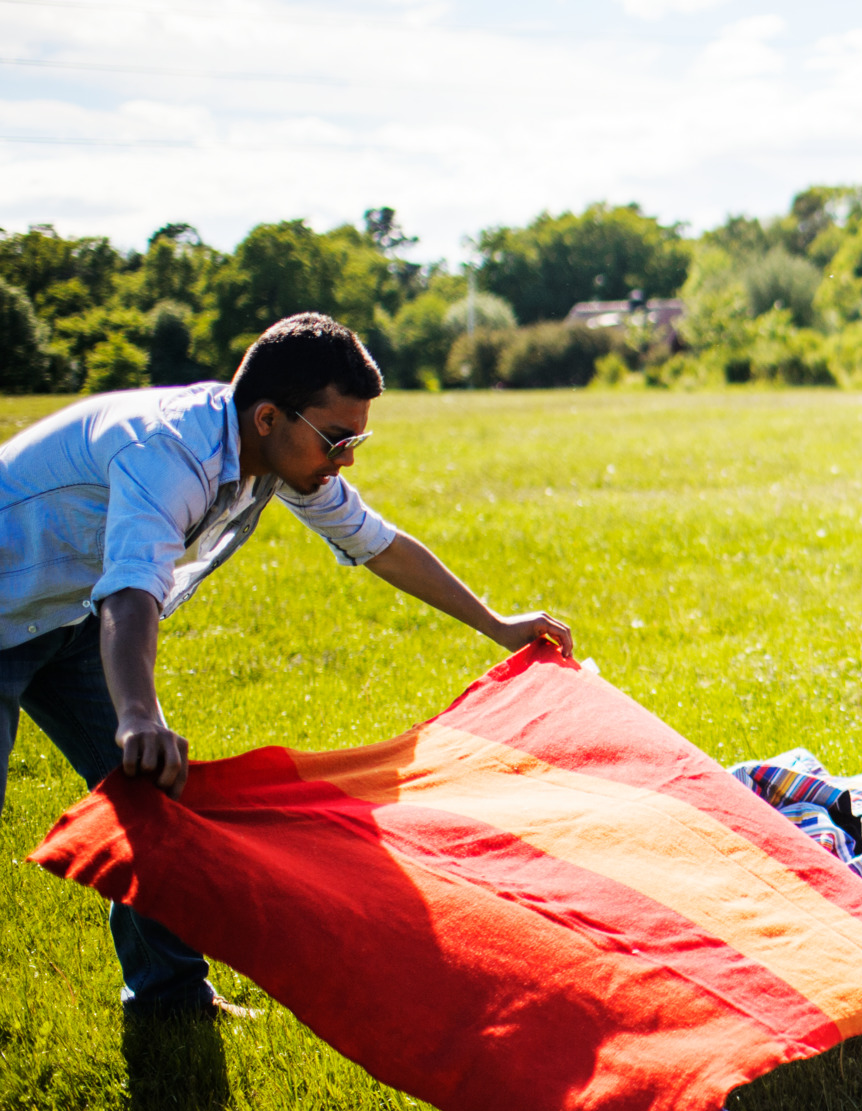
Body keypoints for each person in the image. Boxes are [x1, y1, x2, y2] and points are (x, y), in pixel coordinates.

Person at [1, 312, 574, 1014]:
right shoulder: (168, 450)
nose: (348, 458)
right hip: (27, 608)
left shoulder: (266, 453)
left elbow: (380, 543)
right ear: (270, 416)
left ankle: (170, 996)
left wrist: (497, 623)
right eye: (338, 439)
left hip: (65, 615)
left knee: (153, 798)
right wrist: (138, 713)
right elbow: (131, 589)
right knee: (144, 761)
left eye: (356, 439)